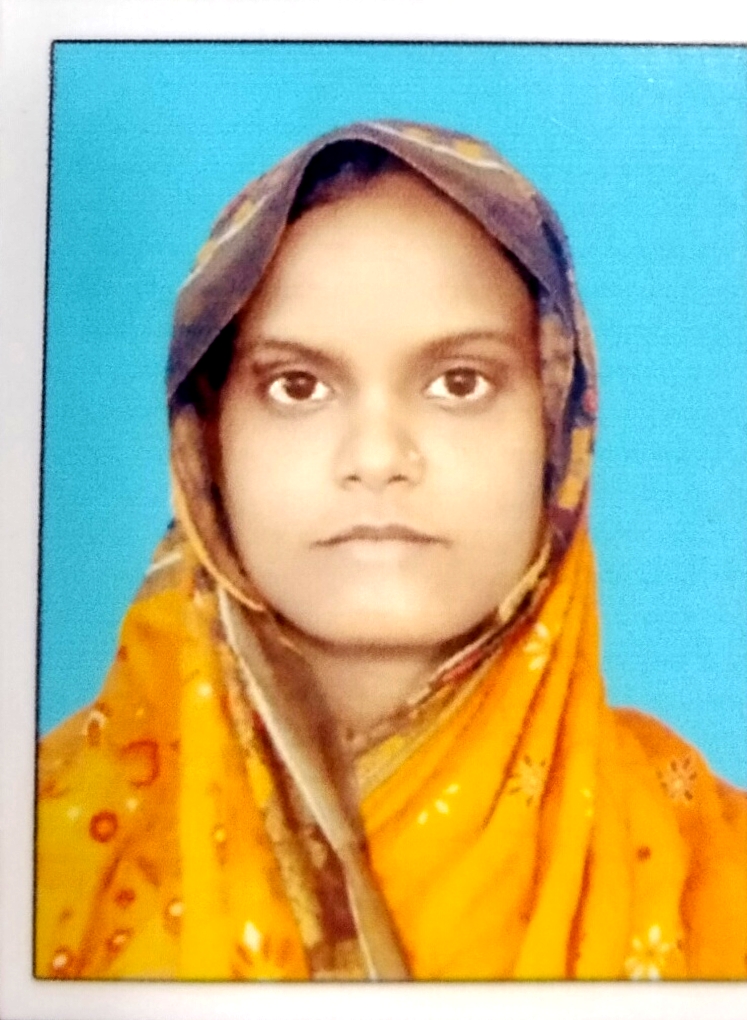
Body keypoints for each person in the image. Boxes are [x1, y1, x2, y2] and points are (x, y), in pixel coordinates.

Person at [35, 119, 747, 981]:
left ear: (557, 430)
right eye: (297, 386)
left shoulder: (711, 870)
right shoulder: (46, 847)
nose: (376, 457)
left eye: (459, 383)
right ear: (206, 440)